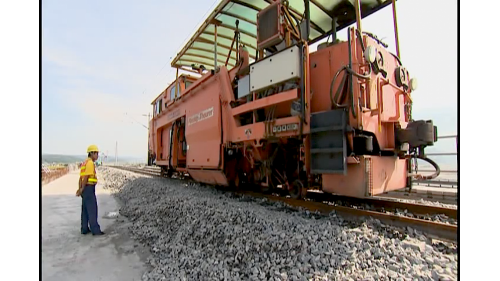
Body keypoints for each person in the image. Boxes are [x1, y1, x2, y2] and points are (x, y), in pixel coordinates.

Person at [76, 145, 105, 236]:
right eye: (96, 153)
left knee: (85, 210)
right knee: (92, 209)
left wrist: (80, 188)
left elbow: (81, 178)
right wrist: (82, 189)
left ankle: (84, 229)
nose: (97, 155)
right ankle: (95, 230)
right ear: (92, 153)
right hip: (88, 189)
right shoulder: (90, 163)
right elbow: (86, 177)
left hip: (85, 190)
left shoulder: (84, 163)